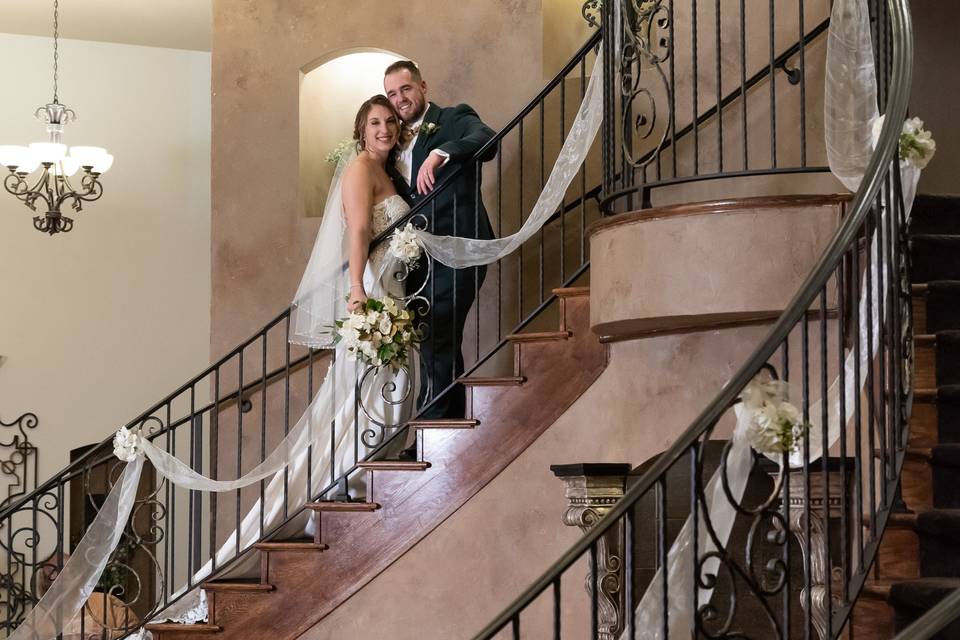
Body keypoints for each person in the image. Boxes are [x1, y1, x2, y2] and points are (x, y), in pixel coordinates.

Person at [384, 60, 496, 421]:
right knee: (431, 340)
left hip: (459, 248)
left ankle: (432, 426)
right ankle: (443, 430)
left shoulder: (453, 118)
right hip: (416, 257)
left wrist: (439, 153)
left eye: (406, 89)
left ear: (423, 87)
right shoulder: (393, 139)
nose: (400, 99)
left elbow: (487, 139)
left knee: (440, 332)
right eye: (392, 94)